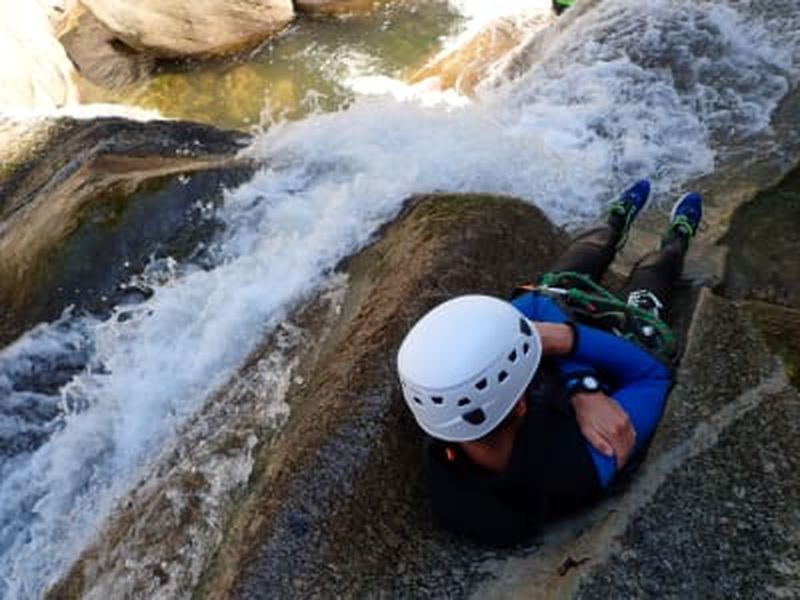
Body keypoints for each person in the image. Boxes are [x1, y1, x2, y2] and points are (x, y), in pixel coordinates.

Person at [396, 181, 703, 546]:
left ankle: (615, 222)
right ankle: (673, 239)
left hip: (554, 348)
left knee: (561, 279)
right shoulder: (589, 457)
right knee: (649, 286)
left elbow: (536, 304)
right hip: (605, 350)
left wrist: (579, 384)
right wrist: (571, 346)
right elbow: (653, 375)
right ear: (523, 404)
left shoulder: (449, 440)